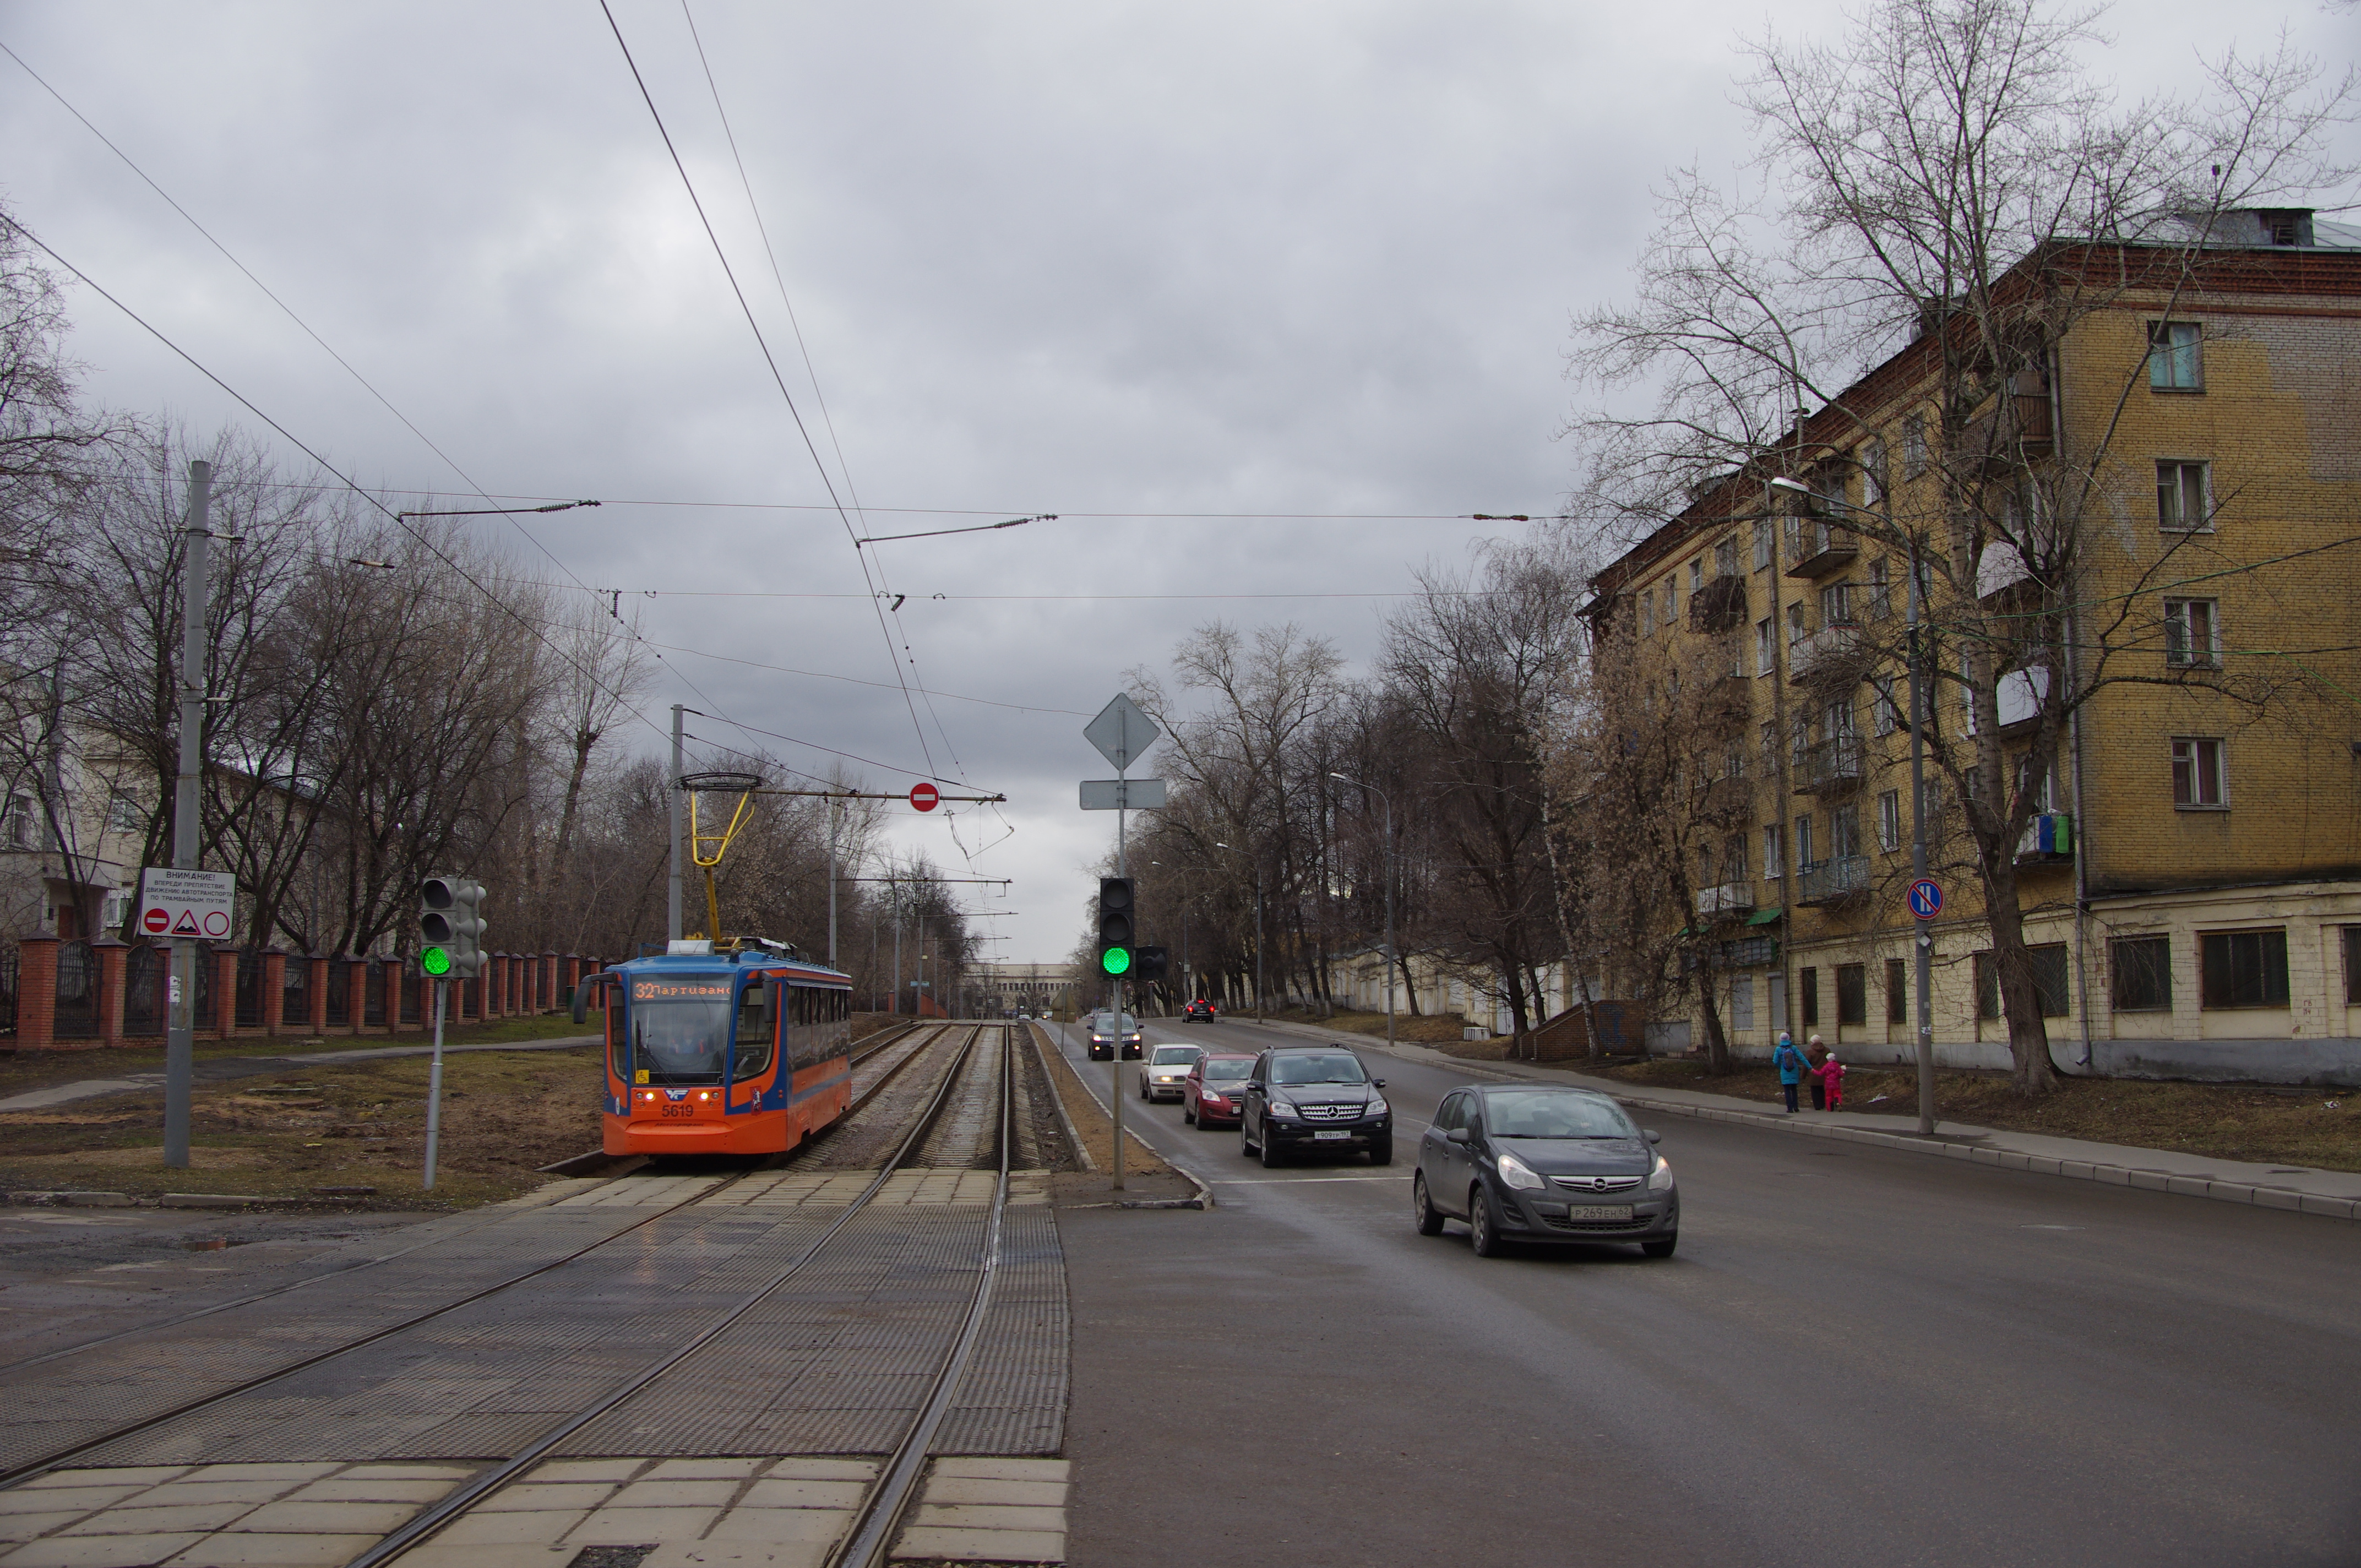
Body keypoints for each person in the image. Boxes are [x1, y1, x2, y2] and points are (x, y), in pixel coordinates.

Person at [1772, 1031, 1809, 1113]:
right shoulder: (1794, 1048)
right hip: (1794, 1070)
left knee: (1787, 1090)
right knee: (1794, 1089)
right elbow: (1802, 1058)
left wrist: (1781, 1067)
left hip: (1784, 1071)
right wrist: (1810, 1067)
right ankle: (1796, 1107)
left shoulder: (1778, 1049)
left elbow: (1775, 1061)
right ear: (1789, 1038)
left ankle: (1790, 1108)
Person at [1807, 1035, 1830, 1110]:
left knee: (1814, 1090)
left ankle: (1817, 1105)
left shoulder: (1810, 1052)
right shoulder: (1827, 1050)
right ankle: (1823, 1104)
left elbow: (1807, 1064)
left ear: (1813, 1043)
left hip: (1814, 1074)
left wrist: (1803, 1075)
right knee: (1822, 1089)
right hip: (1824, 1073)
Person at [1823, 1048, 1846, 1112]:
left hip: (1828, 1084)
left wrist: (1814, 1071)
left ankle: (1830, 1108)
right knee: (1838, 1094)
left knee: (1829, 1096)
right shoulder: (1837, 1066)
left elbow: (1821, 1073)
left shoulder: (1826, 1066)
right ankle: (1839, 1103)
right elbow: (1841, 1074)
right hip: (1836, 1083)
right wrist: (1843, 1072)